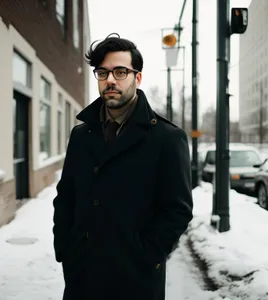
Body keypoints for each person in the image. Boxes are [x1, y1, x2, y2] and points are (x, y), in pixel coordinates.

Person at [53, 33, 193, 300]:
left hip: (135, 281)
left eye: (120, 71)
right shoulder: (81, 135)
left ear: (137, 78)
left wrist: (145, 255)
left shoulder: (167, 138)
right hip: (81, 276)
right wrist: (66, 248)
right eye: (103, 73)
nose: (111, 80)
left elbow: (177, 211)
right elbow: (66, 197)